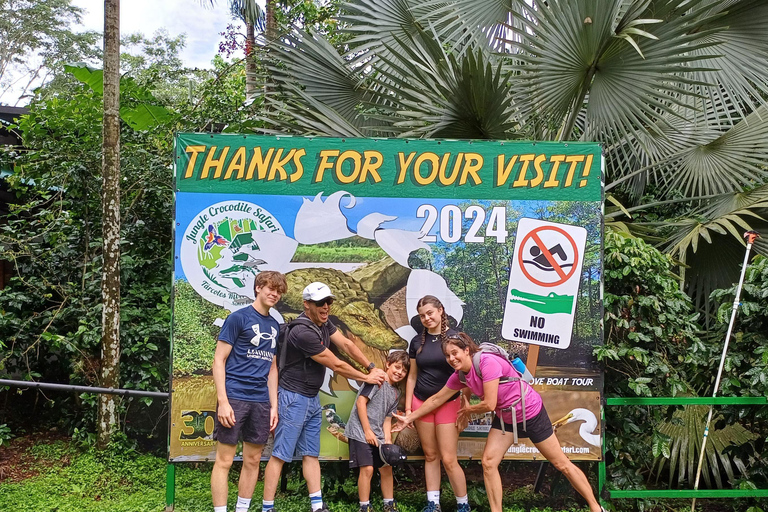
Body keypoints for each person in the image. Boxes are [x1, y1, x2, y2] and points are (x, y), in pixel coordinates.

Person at [396, 333, 606, 512]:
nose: (451, 359)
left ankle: (596, 508)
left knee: (562, 464)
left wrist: (468, 409)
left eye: (455, 353)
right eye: (448, 356)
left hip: (531, 412)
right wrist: (410, 417)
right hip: (506, 418)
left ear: (467, 350)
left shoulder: (487, 362)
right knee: (488, 462)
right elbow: (436, 399)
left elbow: (489, 403)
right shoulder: (460, 375)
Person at [261, 281, 387, 512]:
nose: (326, 306)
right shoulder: (301, 331)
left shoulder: (323, 323)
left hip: (311, 398)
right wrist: (366, 377)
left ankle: (317, 505)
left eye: (329, 301)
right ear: (306, 304)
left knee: (311, 453)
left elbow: (347, 345)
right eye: (320, 303)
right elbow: (335, 363)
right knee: (280, 454)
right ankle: (267, 508)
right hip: (292, 398)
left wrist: (370, 365)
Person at [211, 270, 288, 512]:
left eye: (278, 291)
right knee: (224, 461)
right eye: (270, 288)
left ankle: (242, 509)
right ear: (258, 288)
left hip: (261, 402)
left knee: (253, 460)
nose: (274, 294)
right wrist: (223, 401)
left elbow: (273, 368)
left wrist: (274, 405)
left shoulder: (275, 325)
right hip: (234, 396)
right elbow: (218, 361)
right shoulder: (237, 318)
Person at [405, 296, 469, 512]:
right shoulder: (416, 342)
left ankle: (463, 505)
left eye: (430, 313)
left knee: (449, 458)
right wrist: (408, 408)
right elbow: (412, 376)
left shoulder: (456, 338)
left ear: (441, 311)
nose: (426, 318)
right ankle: (433, 504)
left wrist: (466, 406)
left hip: (448, 403)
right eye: (422, 315)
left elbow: (466, 374)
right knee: (430, 455)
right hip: (421, 403)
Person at [346, 350, 410, 512]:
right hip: (360, 431)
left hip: (379, 434)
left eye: (404, 370)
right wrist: (367, 431)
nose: (399, 372)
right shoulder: (376, 381)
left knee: (386, 467)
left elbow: (388, 419)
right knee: (367, 468)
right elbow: (361, 403)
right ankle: (364, 506)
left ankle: (389, 504)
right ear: (388, 364)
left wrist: (387, 441)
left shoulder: (396, 393)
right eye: (397, 367)